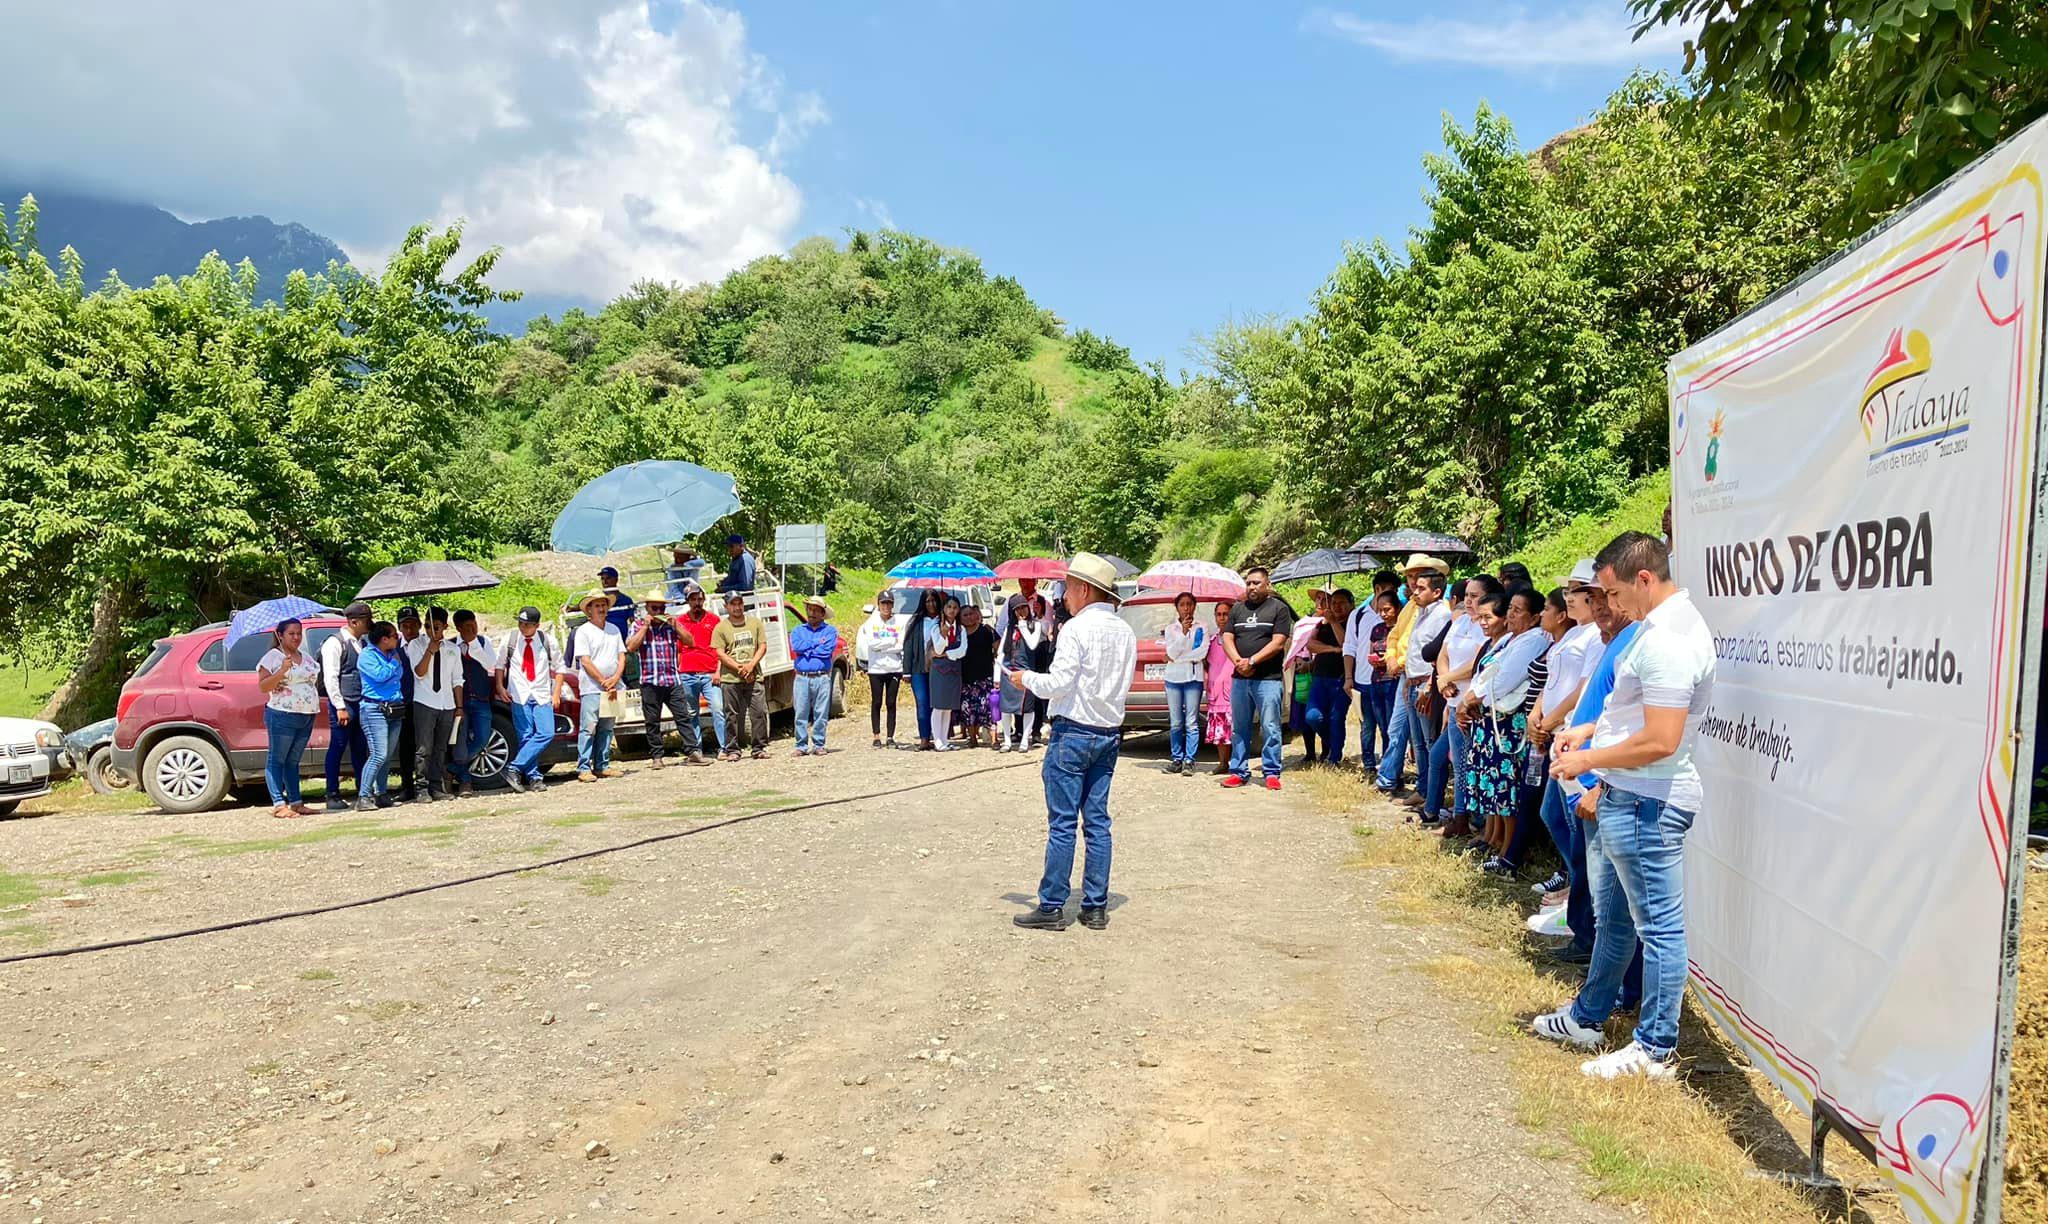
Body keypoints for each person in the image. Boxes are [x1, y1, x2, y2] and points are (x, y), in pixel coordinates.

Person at [1537, 532, 1715, 1080]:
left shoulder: (1668, 640)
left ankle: (1654, 1048)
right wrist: (1588, 729)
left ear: (1643, 579)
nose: (1607, 607)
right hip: (1630, 797)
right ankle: (1589, 1016)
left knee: (1657, 929)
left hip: (1648, 801)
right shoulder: (1653, 630)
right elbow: (1630, 709)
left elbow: (1661, 738)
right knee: (1614, 919)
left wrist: (1588, 759)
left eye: (1612, 595)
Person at [1009, 553, 1138, 931]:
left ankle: (1051, 905)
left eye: (1067, 588)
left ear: (1084, 589)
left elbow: (1059, 684)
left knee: (1063, 823)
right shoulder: (1125, 632)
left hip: (1074, 731)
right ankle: (1095, 906)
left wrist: (1026, 679)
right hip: (1108, 733)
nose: (1064, 596)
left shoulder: (1076, 630)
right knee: (1097, 821)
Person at [1525, 563, 1604, 911]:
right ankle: (1575, 886)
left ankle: (1578, 896)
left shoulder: (1595, 637)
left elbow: (1581, 692)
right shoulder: (1574, 633)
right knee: (1554, 815)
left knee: (1568, 819)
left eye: (1576, 591)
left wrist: (1551, 720)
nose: (1568, 598)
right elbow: (1552, 678)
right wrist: (1537, 713)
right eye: (1569, 591)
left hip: (1574, 735)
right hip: (1557, 731)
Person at [1458, 587, 1548, 873]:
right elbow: (1485, 674)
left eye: (1518, 610)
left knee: (1507, 788)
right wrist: (1470, 698)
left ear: (1535, 618)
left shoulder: (1532, 641)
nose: (1510, 614)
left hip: (1507, 725)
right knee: (1495, 786)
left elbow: (1504, 680)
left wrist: (1472, 699)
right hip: (1490, 717)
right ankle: (1496, 841)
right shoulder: (1512, 639)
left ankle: (1509, 850)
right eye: (1511, 608)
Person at [1420, 575, 1501, 832]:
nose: (1468, 600)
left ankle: (1464, 817)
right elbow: (1443, 654)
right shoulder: (1461, 621)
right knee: (1446, 757)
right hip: (1453, 700)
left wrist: (1447, 677)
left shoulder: (1488, 626)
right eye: (1467, 594)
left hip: (1471, 702)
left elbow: (1478, 662)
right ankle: (1443, 812)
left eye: (1475, 596)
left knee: (1465, 761)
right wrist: (1443, 680)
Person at [1374, 557, 1452, 799]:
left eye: (1419, 583)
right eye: (1411, 580)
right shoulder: (1414, 608)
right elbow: (1397, 636)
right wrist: (1392, 658)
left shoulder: (1442, 614)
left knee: (1429, 742)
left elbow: (1439, 653)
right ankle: (1422, 788)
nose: (1412, 587)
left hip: (1425, 682)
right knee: (1416, 741)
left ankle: (1432, 795)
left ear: (1436, 589)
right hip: (1409, 678)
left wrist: (1429, 685)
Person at [1221, 565, 1297, 790]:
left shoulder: (1279, 609)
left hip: (1268, 679)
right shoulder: (1237, 609)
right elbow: (1227, 637)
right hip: (1240, 679)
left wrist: (1252, 661)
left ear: (1267, 584)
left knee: (1271, 726)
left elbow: (1278, 642)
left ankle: (1271, 772)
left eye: (1256, 582)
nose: (1252, 586)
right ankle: (1239, 771)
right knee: (1239, 727)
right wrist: (1238, 661)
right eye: (1249, 583)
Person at [626, 589, 709, 769]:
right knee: (652, 721)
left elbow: (691, 642)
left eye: (661, 608)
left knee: (683, 717)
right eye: (654, 608)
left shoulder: (671, 625)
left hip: (672, 680)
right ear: (647, 608)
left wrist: (676, 626)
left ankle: (693, 751)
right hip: (650, 680)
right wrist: (645, 627)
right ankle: (657, 756)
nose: (658, 612)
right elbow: (631, 647)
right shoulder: (638, 625)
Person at [255, 617, 321, 819]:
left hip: (306, 714)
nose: (296, 637)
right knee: (277, 759)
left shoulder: (306, 657)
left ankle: (296, 802)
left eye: (299, 633)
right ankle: (278, 803)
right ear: (280, 635)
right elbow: (263, 686)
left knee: (293, 760)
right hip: (282, 713)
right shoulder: (273, 657)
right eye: (291, 633)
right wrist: (282, 670)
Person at [494, 606, 561, 792]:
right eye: (520, 623)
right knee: (525, 736)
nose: (523, 628)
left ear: (537, 625)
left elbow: (560, 667)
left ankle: (514, 767)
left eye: (528, 625)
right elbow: (499, 664)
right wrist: (500, 686)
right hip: (519, 693)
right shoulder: (511, 640)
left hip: (541, 693)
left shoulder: (547, 641)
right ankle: (534, 777)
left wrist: (556, 693)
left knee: (547, 732)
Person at [318, 600, 374, 811]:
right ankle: (332, 793)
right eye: (366, 620)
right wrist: (340, 706)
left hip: (361, 703)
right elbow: (331, 677)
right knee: (337, 748)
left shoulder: (362, 642)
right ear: (353, 621)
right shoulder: (335, 643)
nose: (369, 624)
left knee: (361, 749)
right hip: (345, 704)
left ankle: (363, 791)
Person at [406, 606, 462, 801]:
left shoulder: (453, 649)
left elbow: (457, 680)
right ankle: (421, 787)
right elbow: (419, 672)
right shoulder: (416, 645)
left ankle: (436, 786)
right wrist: (430, 650)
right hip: (425, 701)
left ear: (444, 626)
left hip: (446, 703)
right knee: (424, 748)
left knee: (440, 748)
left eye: (436, 627)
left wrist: (459, 706)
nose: (432, 631)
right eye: (428, 627)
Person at [571, 590, 626, 782]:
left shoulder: (614, 629)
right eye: (597, 605)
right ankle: (583, 766)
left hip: (613, 684)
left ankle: (602, 764)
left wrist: (616, 677)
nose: (601, 608)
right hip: (592, 686)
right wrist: (604, 680)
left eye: (603, 604)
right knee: (589, 727)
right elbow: (585, 661)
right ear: (589, 610)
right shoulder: (583, 631)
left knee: (607, 727)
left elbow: (621, 656)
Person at [1346, 590, 1400, 777]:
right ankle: (1369, 763)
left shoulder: (1401, 629)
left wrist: (1389, 661)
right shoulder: (1377, 629)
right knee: (1369, 724)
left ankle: (1389, 766)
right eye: (1380, 610)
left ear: (1397, 608)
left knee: (1388, 727)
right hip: (1374, 680)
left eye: (1387, 609)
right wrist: (1374, 660)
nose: (1383, 614)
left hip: (1393, 682)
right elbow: (1369, 651)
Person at [710, 592, 770, 760]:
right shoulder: (721, 627)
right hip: (730, 678)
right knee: (731, 715)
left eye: (740, 603)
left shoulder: (754, 623)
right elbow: (720, 653)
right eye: (733, 604)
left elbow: (762, 646)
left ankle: (759, 748)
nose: (737, 607)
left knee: (758, 712)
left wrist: (751, 666)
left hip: (754, 676)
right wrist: (738, 667)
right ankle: (732, 749)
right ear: (726, 606)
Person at [355, 620, 406, 811]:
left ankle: (381, 792)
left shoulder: (392, 653)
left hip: (394, 707)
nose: (398, 638)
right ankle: (363, 796)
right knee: (378, 754)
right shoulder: (367, 656)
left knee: (387, 755)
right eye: (394, 635)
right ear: (384, 639)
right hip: (374, 709)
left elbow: (398, 674)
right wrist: (393, 664)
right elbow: (380, 675)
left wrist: (392, 667)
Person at [1302, 588, 1354, 767]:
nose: (1337, 606)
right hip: (1319, 676)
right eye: (1334, 603)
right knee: (1312, 717)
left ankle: (1335, 757)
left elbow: (1346, 644)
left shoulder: (1353, 622)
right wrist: (1332, 649)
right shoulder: (1321, 624)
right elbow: (1311, 645)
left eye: (1341, 603)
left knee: (1336, 718)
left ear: (1351, 604)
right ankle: (1333, 743)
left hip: (1340, 678)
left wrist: (1334, 623)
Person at [1160, 592, 1209, 774]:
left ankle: (1190, 759)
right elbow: (1171, 652)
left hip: (1193, 677)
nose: (1186, 608)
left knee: (1191, 721)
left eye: (1189, 604)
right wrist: (1183, 633)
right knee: (1176, 722)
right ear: (1177, 607)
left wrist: (1176, 657)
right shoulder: (1171, 629)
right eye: (1182, 604)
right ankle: (1176, 758)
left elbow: (1201, 653)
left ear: (1194, 606)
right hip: (1173, 678)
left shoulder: (1202, 627)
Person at [451, 610, 498, 796]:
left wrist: (473, 644)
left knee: (481, 739)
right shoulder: (451, 646)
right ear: (458, 628)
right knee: (460, 742)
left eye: (474, 625)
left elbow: (490, 664)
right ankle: (465, 781)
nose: (472, 629)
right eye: (468, 627)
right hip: (458, 701)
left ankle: (450, 768)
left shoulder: (484, 642)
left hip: (480, 699)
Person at [856, 593, 910, 747]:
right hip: (876, 668)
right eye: (883, 603)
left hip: (894, 668)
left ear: (893, 605)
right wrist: (890, 642)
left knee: (891, 702)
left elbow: (901, 644)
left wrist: (883, 645)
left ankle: (890, 736)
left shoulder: (899, 622)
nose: (886, 606)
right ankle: (876, 735)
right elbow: (872, 644)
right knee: (877, 702)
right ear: (878, 604)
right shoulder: (871, 623)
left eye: (889, 603)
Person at [1283, 587, 1330, 765]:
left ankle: (1327, 751)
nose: (1320, 602)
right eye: (1318, 599)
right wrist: (1299, 663)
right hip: (1301, 670)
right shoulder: (1303, 623)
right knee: (1303, 711)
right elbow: (1295, 647)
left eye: (1324, 599)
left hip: (1321, 669)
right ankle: (1310, 752)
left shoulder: (1329, 625)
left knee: (1320, 711)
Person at [1000, 594, 1051, 752]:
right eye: (1017, 609)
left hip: (1026, 669)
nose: (1021, 611)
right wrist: (999, 672)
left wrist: (1023, 626)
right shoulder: (1009, 628)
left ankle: (1024, 740)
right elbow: (1002, 652)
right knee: (1006, 707)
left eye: (1023, 607)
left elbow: (1032, 643)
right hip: (1009, 669)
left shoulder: (1033, 625)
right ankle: (1007, 740)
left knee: (1028, 707)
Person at [790, 595, 838, 756]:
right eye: (810, 609)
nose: (812, 613)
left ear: (822, 613)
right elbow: (797, 647)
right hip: (802, 677)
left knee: (821, 713)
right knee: (800, 712)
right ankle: (801, 745)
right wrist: (817, 643)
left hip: (822, 677)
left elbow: (826, 652)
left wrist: (807, 649)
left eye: (816, 610)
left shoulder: (830, 631)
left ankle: (819, 744)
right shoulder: (798, 630)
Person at [925, 596, 970, 750]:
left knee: (948, 707)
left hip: (954, 670)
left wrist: (947, 654)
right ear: (944, 609)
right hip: (939, 670)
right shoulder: (936, 627)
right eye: (949, 607)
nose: (952, 610)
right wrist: (943, 636)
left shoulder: (961, 629)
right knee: (938, 706)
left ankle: (944, 738)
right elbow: (937, 649)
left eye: (955, 607)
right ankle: (937, 738)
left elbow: (962, 650)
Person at [903, 589, 942, 751]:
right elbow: (908, 647)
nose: (931, 604)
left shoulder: (944, 620)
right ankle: (924, 737)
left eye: (934, 600)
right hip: (918, 668)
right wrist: (906, 671)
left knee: (936, 703)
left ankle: (937, 736)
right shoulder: (916, 622)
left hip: (939, 669)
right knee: (922, 702)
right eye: (928, 601)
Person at [957, 605, 1000, 748]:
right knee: (968, 709)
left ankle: (994, 739)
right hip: (967, 677)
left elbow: (998, 648)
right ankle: (972, 738)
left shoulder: (987, 630)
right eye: (965, 615)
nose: (969, 617)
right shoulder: (958, 633)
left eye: (971, 614)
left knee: (990, 708)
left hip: (985, 676)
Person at [1202, 598, 1236, 774]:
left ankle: (1237, 763)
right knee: (1220, 730)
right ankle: (1223, 763)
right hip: (1215, 691)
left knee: (1235, 729)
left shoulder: (1237, 640)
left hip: (1233, 690)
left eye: (1226, 614)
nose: (1222, 618)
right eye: (1219, 614)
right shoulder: (1211, 641)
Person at [393, 607, 423, 803]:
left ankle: (425, 784)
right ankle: (407, 786)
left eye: (413, 624)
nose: (409, 629)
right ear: (399, 627)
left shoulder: (427, 644)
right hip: (403, 702)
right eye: (405, 625)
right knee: (405, 747)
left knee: (425, 745)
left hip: (425, 701)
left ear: (420, 625)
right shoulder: (393, 647)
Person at [597, 566, 637, 637]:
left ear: (616, 579)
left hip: (621, 636)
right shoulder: (597, 600)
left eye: (608, 578)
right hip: (603, 636)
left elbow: (633, 620)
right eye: (602, 578)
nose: (605, 581)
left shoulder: (626, 600)